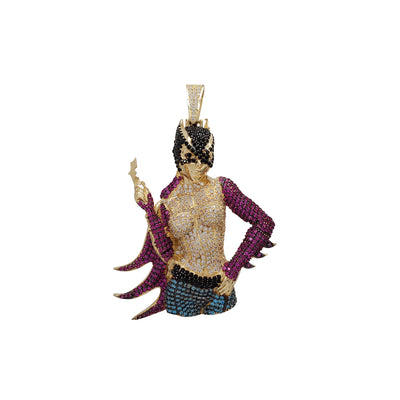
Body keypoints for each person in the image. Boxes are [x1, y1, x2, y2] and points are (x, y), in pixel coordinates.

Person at [114, 86, 275, 319]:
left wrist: (233, 269)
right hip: (181, 288)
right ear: (179, 158)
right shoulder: (168, 200)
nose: (199, 165)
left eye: (205, 158)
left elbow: (264, 223)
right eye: (191, 158)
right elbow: (166, 251)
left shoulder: (222, 187)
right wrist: (149, 210)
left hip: (221, 286)